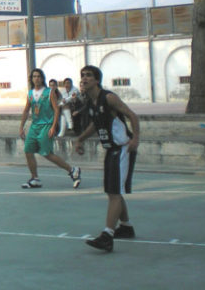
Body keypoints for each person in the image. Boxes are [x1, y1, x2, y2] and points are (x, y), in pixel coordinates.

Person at [74, 65, 140, 252]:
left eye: (88, 76)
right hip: (111, 150)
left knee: (114, 193)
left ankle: (107, 235)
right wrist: (80, 139)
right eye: (82, 76)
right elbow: (96, 124)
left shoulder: (108, 97)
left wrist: (136, 138)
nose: (84, 79)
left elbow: (132, 115)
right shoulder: (91, 102)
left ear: (97, 80)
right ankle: (126, 226)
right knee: (113, 191)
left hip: (122, 149)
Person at [19, 68, 81, 190]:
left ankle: (72, 170)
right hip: (34, 126)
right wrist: (21, 127)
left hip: (46, 125)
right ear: (31, 79)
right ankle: (34, 178)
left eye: (38, 76)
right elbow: (26, 110)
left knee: (47, 153)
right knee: (28, 151)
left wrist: (53, 126)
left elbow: (56, 109)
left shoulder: (49, 92)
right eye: (34, 76)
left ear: (42, 78)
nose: (36, 78)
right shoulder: (30, 93)